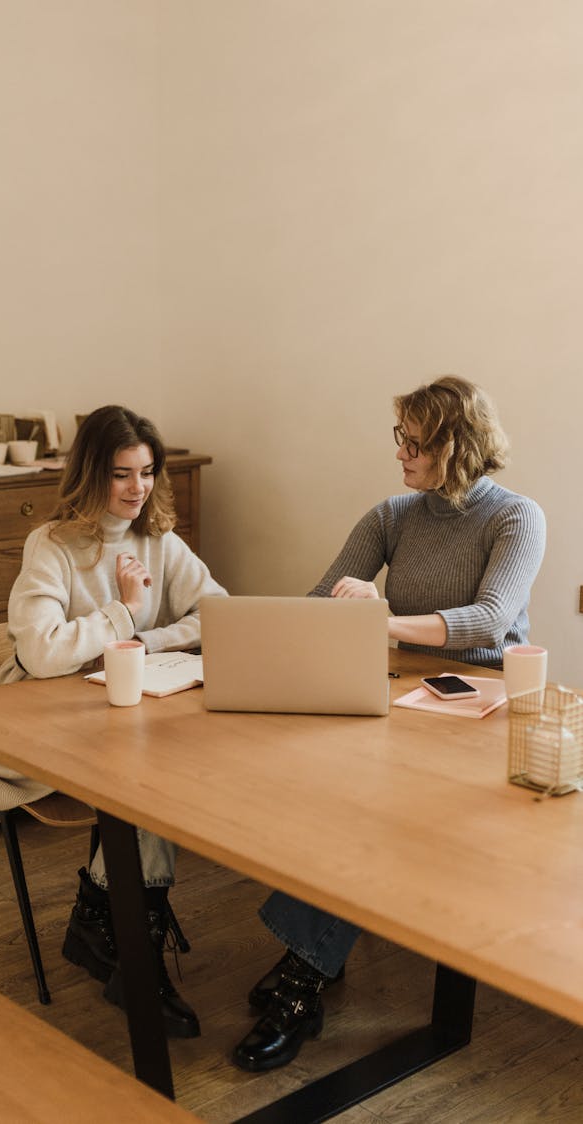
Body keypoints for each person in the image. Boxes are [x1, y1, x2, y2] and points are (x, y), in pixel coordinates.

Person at [231, 375, 546, 1072]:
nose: (400, 452)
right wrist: (338, 610)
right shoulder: (393, 515)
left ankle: (304, 974)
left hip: (484, 703)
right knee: (335, 790)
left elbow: (490, 620)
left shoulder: (516, 518)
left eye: (415, 440)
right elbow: (319, 601)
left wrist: (380, 617)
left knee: (369, 811)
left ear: (455, 445)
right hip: (409, 696)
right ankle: (315, 952)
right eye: (398, 436)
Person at [0, 404, 227, 1039]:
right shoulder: (51, 545)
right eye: (121, 475)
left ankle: (108, 928)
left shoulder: (160, 539)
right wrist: (123, 614)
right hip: (40, 730)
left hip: (123, 720)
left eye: (146, 472)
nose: (137, 489)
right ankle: (119, 940)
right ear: (90, 474)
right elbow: (41, 653)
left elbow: (218, 611)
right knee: (147, 789)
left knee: (156, 779)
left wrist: (147, 638)